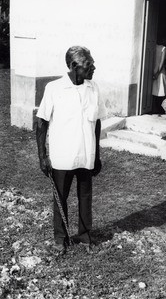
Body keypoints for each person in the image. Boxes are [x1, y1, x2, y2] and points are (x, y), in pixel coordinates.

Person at [36, 46, 107, 254]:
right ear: (74, 66)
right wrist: (43, 156)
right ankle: (61, 238)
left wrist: (97, 155)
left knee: (85, 197)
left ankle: (85, 236)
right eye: (89, 64)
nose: (94, 67)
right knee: (60, 197)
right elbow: (41, 123)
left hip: (86, 155)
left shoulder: (93, 88)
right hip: (62, 156)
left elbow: (97, 122)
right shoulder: (54, 88)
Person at [152, 37, 166, 114]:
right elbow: (161, 63)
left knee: (154, 90)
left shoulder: (153, 46)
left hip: (153, 70)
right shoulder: (163, 48)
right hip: (160, 71)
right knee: (160, 91)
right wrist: (157, 73)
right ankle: (160, 109)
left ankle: (154, 108)